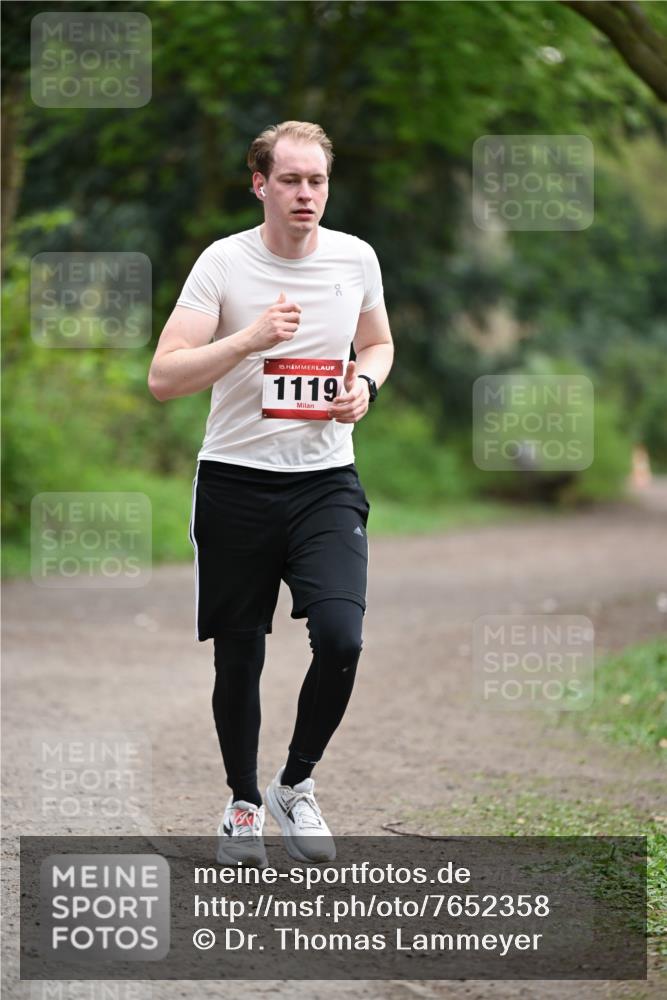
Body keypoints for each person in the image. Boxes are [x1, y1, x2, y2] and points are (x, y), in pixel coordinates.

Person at [148, 121, 394, 866]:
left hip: (325, 481)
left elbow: (377, 343)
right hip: (234, 484)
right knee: (239, 657)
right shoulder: (224, 264)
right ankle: (243, 804)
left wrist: (364, 385)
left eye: (316, 180)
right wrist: (248, 341)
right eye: (289, 180)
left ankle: (295, 784)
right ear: (260, 185)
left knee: (343, 638)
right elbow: (165, 377)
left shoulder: (355, 258)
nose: (305, 194)